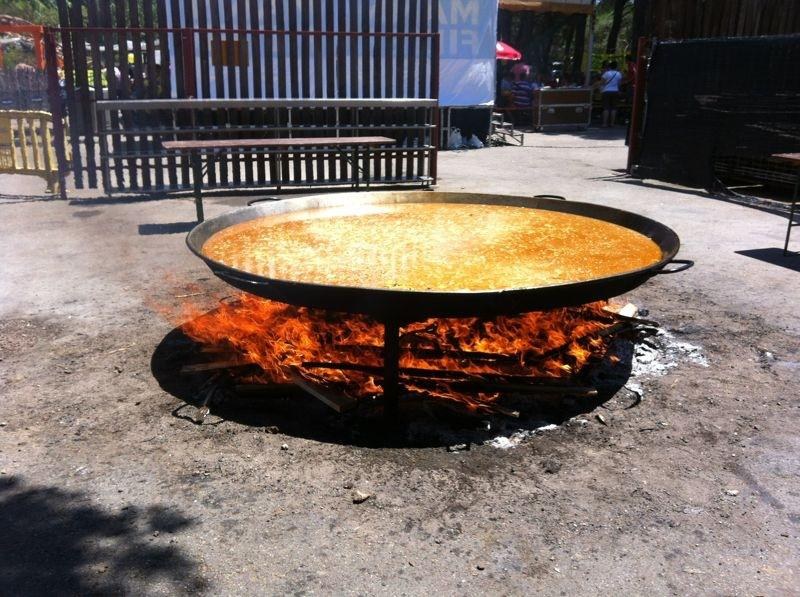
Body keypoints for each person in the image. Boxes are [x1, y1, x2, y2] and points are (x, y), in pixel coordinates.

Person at [598, 60, 623, 127]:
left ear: (609, 66)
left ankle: (604, 123)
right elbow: (619, 84)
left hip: (606, 91)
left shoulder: (606, 73)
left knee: (606, 108)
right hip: (615, 91)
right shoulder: (619, 74)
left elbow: (602, 83)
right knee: (614, 108)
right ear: (616, 67)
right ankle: (612, 123)